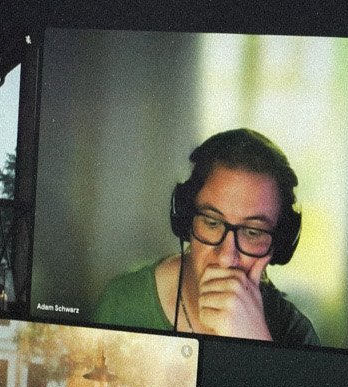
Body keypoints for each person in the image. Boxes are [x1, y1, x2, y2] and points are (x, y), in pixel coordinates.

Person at [93, 128, 318, 344]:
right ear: (185, 221)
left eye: (252, 232)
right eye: (212, 223)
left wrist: (256, 342)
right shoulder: (123, 302)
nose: (226, 258)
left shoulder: (297, 333)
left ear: (280, 243)